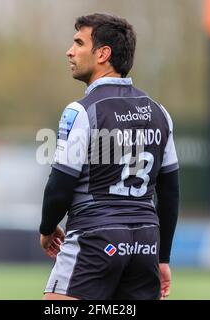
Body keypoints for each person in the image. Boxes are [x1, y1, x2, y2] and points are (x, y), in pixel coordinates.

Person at [39, 13, 179, 300]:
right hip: (144, 244)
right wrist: (162, 256)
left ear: (103, 54)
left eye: (79, 42)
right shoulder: (159, 113)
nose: (70, 50)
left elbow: (60, 185)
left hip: (95, 237)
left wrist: (47, 227)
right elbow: (170, 191)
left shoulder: (81, 111)